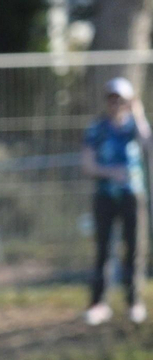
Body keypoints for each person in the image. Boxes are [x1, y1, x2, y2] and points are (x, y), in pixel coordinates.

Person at [83, 77, 151, 325]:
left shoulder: (135, 127)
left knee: (134, 249)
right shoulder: (97, 129)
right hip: (105, 196)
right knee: (103, 249)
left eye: (121, 100)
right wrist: (111, 173)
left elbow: (148, 144)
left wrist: (139, 115)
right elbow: (88, 165)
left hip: (132, 195)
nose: (116, 105)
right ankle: (99, 303)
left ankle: (134, 302)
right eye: (112, 100)